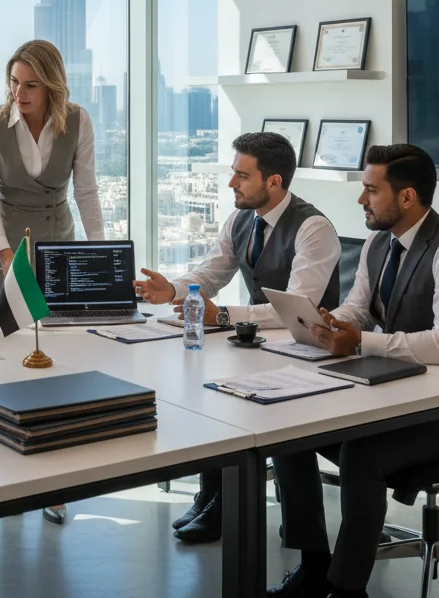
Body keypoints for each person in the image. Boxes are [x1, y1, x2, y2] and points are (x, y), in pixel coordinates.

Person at [268, 144, 439, 598]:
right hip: (401, 396)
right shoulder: (379, 243)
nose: (361, 200)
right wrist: (332, 324)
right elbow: (359, 308)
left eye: (371, 189)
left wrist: (361, 341)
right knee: (291, 434)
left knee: (362, 453)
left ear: (408, 196)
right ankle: (314, 567)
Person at [135, 131, 340, 544]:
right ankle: (213, 498)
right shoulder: (240, 218)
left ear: (274, 182)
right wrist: (172, 289)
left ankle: (298, 544)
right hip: (261, 345)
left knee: (285, 428)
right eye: (233, 173)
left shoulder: (313, 228)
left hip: (311, 352)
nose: (231, 183)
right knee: (210, 390)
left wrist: (224, 314)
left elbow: (297, 308)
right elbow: (213, 273)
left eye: (241, 176)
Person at [0, 38, 104, 525]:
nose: (19, 93)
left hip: (60, 244)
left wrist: (99, 253)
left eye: (30, 84)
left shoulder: (78, 120)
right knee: (9, 355)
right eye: (13, 82)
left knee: (58, 359)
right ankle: (6, 473)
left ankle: (55, 481)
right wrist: (6, 254)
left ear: (51, 85)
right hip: (4, 243)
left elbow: (87, 191)